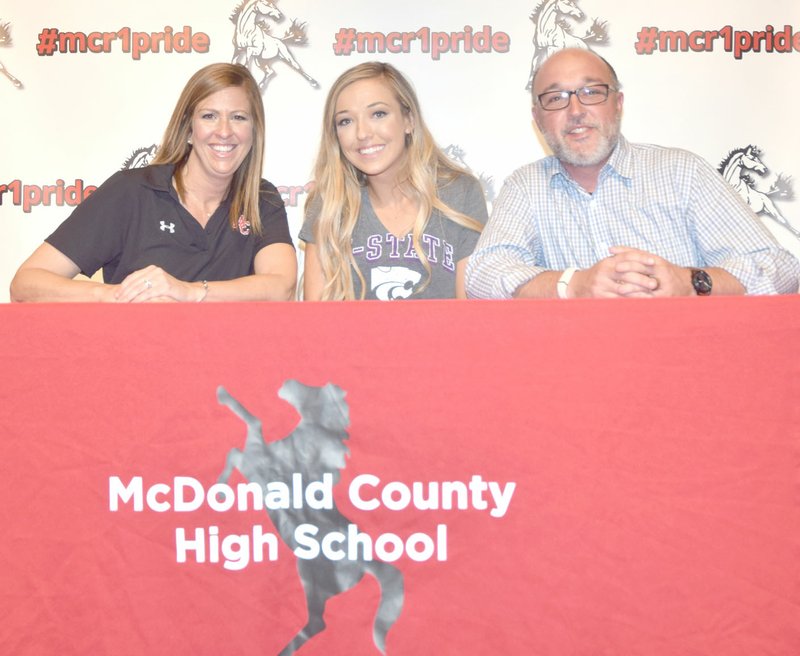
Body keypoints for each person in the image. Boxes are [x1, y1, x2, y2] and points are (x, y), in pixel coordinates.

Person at [466, 48, 800, 299]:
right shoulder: (526, 186)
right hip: (575, 370)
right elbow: (482, 275)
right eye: (556, 98)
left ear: (618, 103)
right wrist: (573, 284)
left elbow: (781, 269)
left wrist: (690, 282)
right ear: (538, 119)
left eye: (591, 92)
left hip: (686, 362)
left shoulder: (682, 172)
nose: (576, 111)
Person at [10, 63, 296, 302]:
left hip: (228, 365)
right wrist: (120, 296)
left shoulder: (262, 198)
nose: (224, 131)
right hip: (135, 363)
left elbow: (280, 287)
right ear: (187, 129)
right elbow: (26, 284)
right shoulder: (131, 192)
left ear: (254, 131)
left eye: (238, 117)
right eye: (209, 116)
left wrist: (188, 292)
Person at [300, 62, 487, 301]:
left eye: (378, 114)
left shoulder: (460, 193)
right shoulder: (328, 204)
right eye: (345, 121)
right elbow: (317, 323)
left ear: (408, 120)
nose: (362, 133)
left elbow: (470, 319)